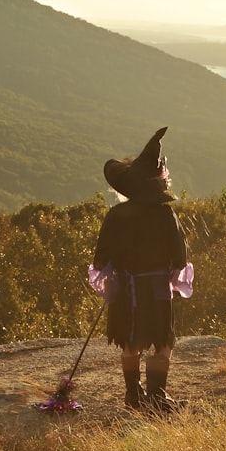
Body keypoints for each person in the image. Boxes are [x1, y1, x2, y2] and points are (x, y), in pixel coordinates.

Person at [90, 127, 193, 411]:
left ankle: (133, 397)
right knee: (162, 342)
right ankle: (158, 398)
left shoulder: (115, 215)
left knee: (130, 342)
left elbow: (101, 258)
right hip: (156, 289)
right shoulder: (164, 214)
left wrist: (118, 268)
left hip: (125, 289)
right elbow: (180, 257)